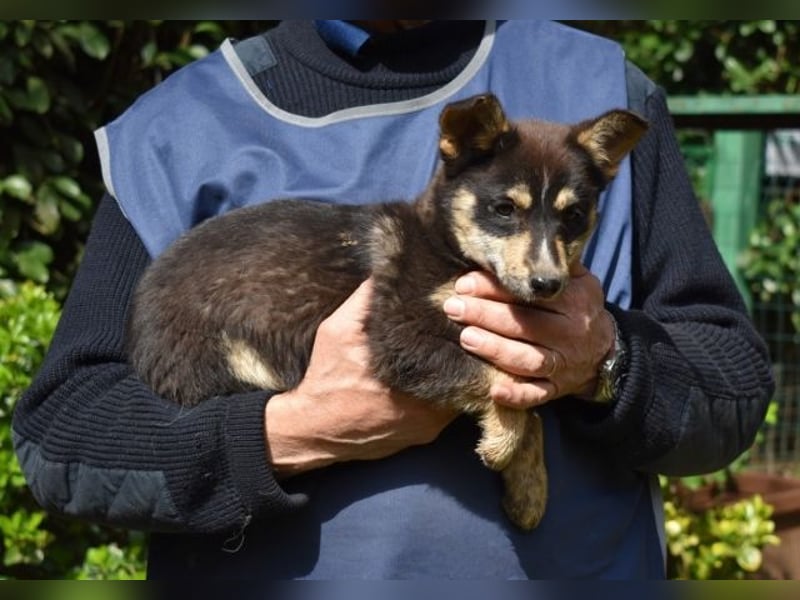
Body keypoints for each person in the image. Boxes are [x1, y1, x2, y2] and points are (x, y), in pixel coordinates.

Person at [12, 20, 774, 579]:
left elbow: (733, 387)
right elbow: (62, 438)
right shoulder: (175, 133)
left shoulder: (602, 92)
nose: (542, 258)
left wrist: (608, 359)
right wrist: (286, 432)